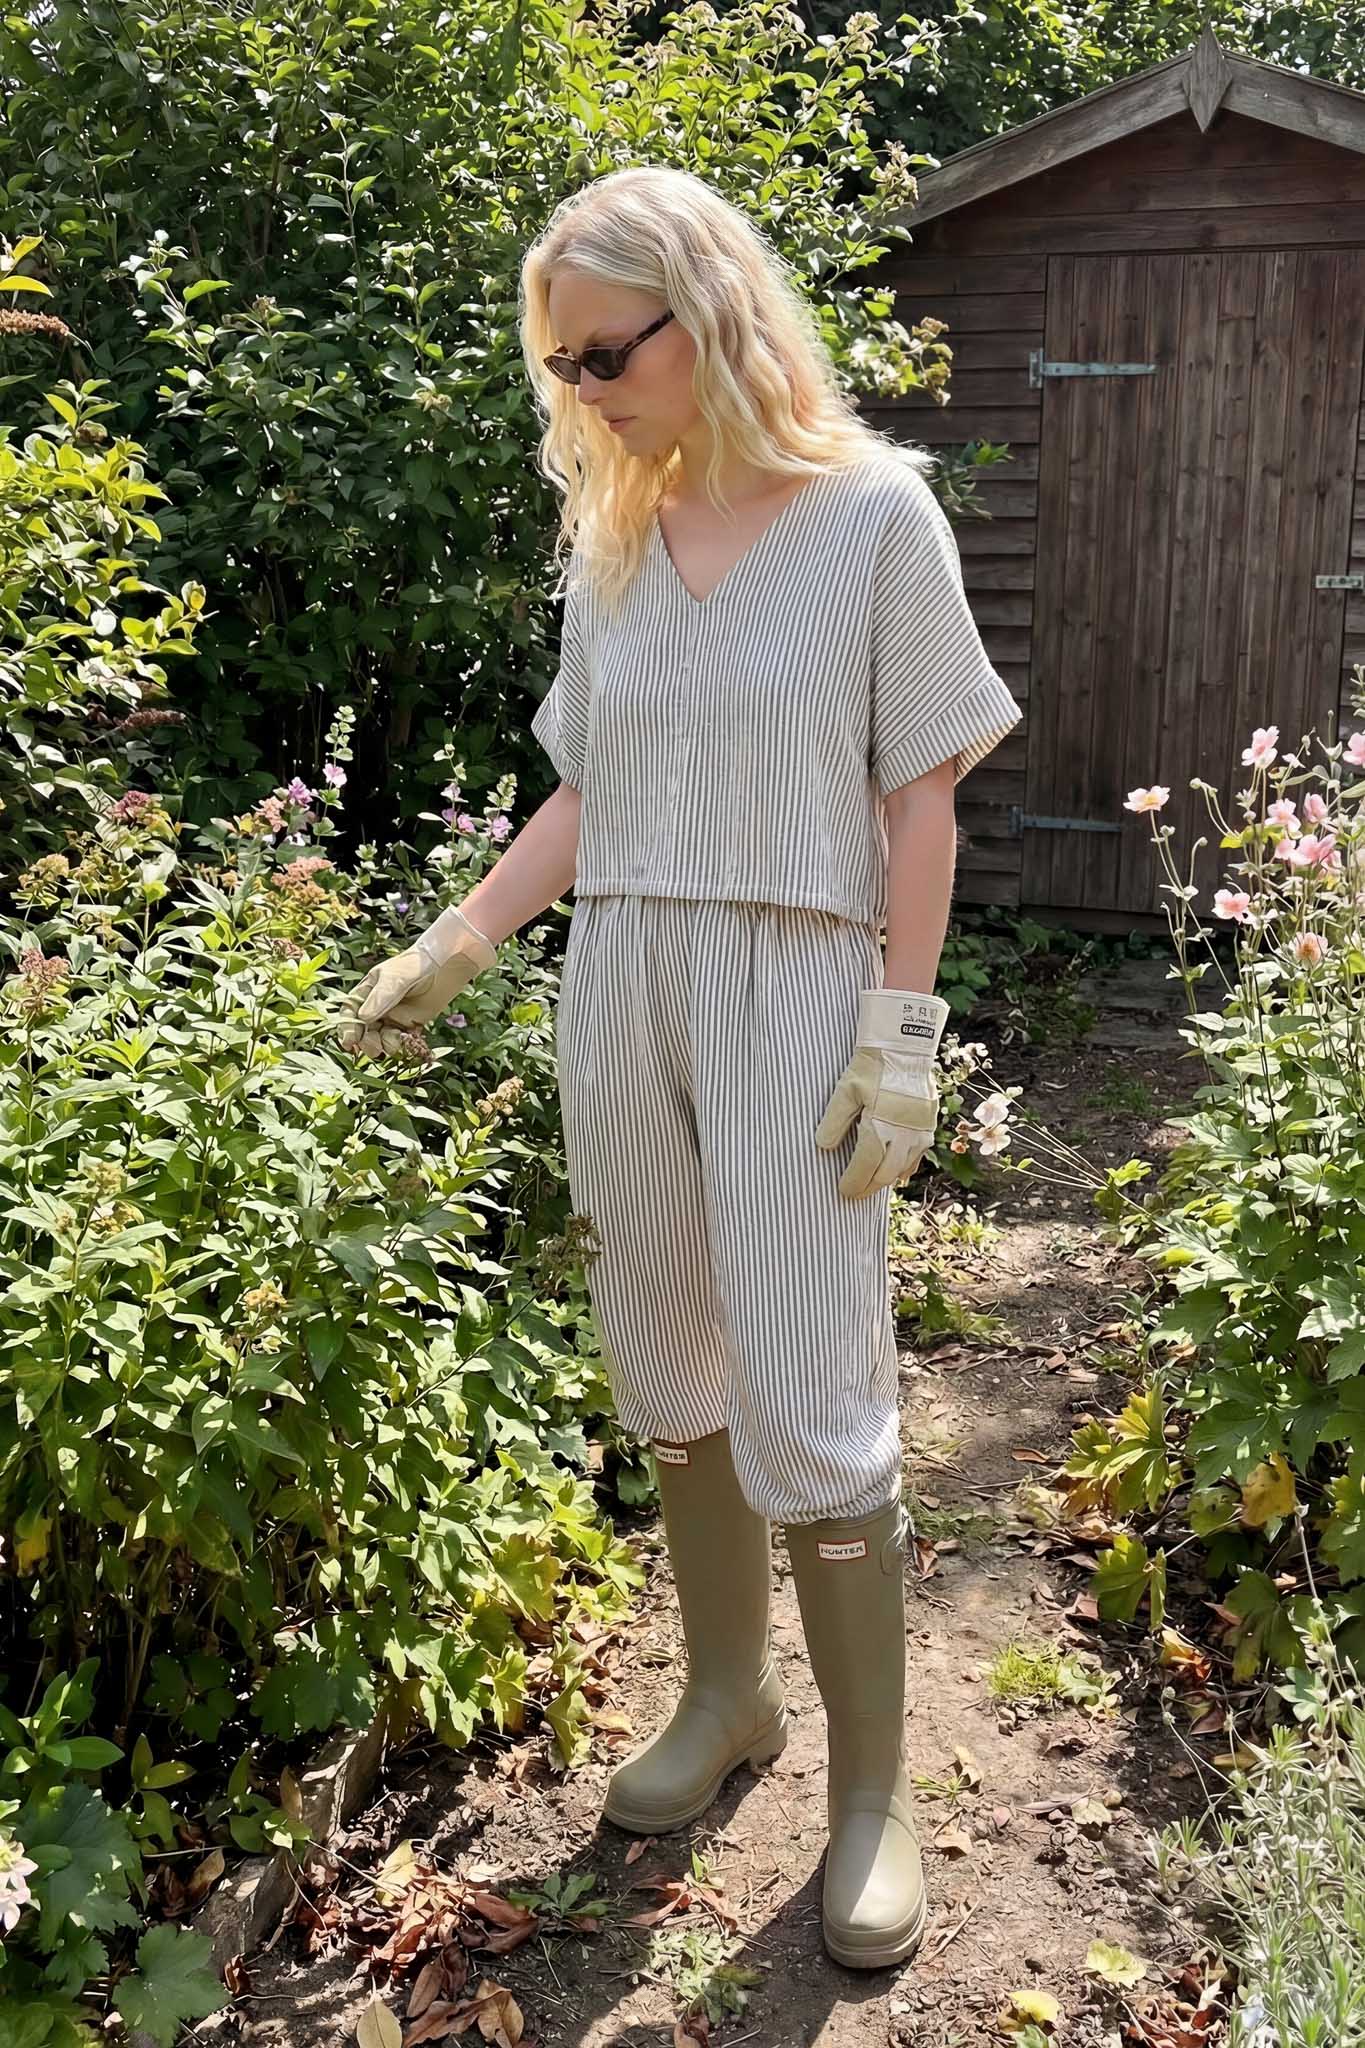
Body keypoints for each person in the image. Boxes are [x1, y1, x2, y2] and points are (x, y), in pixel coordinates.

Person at [337, 164, 1022, 1972]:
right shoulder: (617, 541)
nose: (579, 389)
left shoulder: (872, 518)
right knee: (660, 1341)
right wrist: (458, 940)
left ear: (705, 315)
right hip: (624, 976)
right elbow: (590, 790)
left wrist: (901, 1031)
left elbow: (921, 797)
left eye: (602, 354)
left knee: (809, 1366)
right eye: (556, 365)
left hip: (796, 981)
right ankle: (727, 1698)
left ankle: (868, 1797)